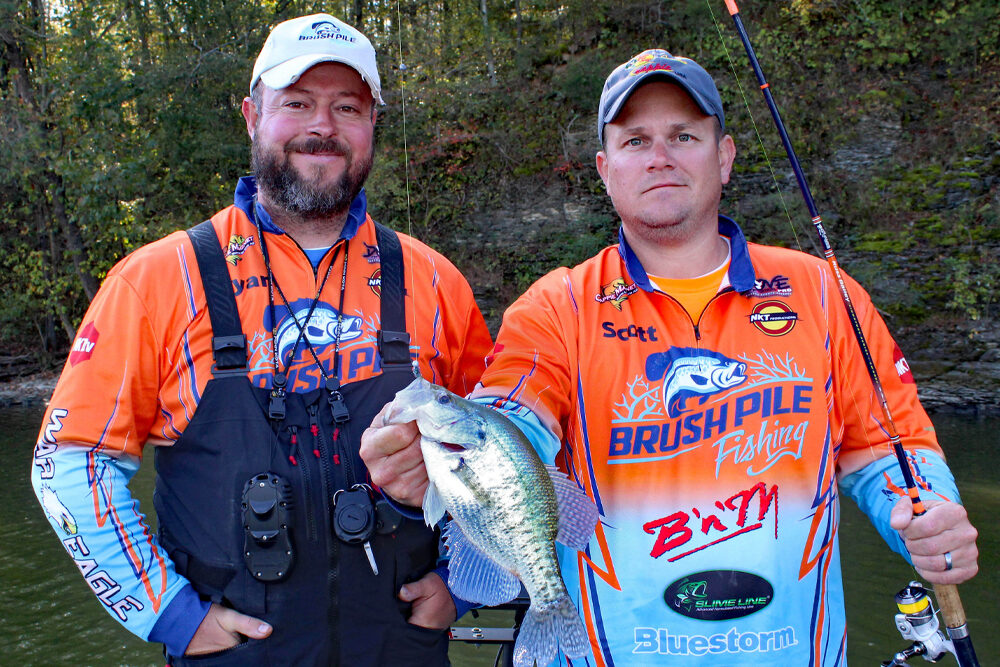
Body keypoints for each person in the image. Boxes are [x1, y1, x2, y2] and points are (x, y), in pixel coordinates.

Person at [360, 49, 979, 665]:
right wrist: (439, 451)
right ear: (605, 169)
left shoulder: (822, 292)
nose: (659, 157)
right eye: (635, 141)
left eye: (683, 135)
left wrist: (929, 512)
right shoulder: (559, 306)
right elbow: (513, 413)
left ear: (725, 155)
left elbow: (888, 444)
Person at [30, 13, 492, 666]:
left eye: (347, 107)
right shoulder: (158, 280)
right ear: (252, 115)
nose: (322, 127)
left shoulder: (434, 280)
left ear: (372, 126)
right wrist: (168, 611)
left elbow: (504, 450)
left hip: (403, 644)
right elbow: (67, 462)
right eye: (297, 103)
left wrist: (464, 583)